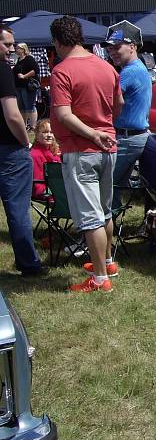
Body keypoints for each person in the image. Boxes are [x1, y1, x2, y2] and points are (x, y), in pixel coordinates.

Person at [49, 15, 123, 293]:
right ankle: (107, 262)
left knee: (91, 218)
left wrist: (92, 134)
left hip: (81, 150)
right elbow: (119, 103)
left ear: (57, 42)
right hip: (108, 147)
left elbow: (63, 115)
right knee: (105, 211)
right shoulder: (106, 66)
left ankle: (100, 279)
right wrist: (104, 128)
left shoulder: (62, 71)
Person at [0, 26, 45, 277]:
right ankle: (29, 263)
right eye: (6, 44)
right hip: (9, 150)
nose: (11, 49)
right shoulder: (3, 70)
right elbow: (13, 115)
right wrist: (25, 142)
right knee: (18, 210)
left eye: (13, 44)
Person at [104, 21, 151, 212]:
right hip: (135, 136)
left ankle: (106, 222)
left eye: (116, 47)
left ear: (132, 47)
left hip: (127, 138)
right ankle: (113, 220)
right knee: (115, 186)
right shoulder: (138, 67)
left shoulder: (129, 72)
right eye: (109, 49)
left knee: (106, 185)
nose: (112, 52)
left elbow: (109, 101)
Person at [30, 118, 60, 200]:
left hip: (59, 188)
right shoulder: (35, 155)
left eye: (51, 132)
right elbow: (38, 185)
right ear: (37, 134)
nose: (49, 135)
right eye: (45, 132)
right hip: (46, 191)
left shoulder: (56, 151)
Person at [12, 43, 39, 132]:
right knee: (21, 107)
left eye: (18, 48)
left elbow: (36, 70)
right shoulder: (18, 59)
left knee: (29, 106)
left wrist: (24, 76)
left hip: (27, 87)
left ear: (23, 49)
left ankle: (33, 126)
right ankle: (24, 125)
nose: (16, 49)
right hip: (18, 86)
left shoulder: (29, 58)